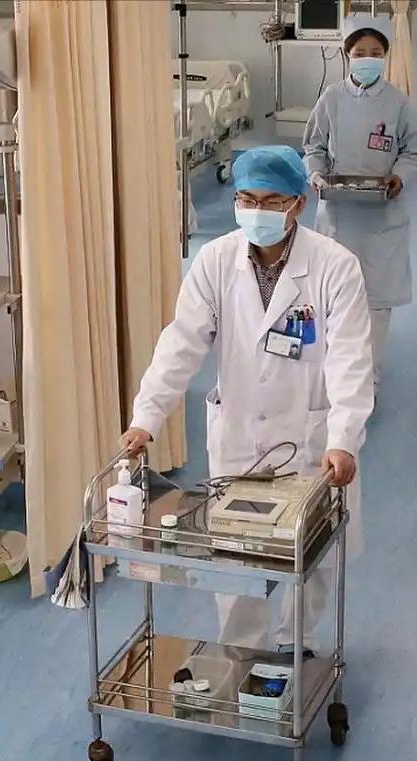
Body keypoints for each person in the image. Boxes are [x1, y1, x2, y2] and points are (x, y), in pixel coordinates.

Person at [121, 146, 373, 653]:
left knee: (311, 552)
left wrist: (344, 437)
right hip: (239, 432)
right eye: (246, 199)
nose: (256, 211)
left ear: (297, 204)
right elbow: (181, 343)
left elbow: (350, 359)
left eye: (270, 201)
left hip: (309, 434)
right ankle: (242, 647)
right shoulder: (215, 261)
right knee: (235, 551)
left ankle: (295, 642)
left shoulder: (334, 267)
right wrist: (147, 416)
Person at [303, 14, 416, 387]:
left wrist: (399, 176)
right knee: (332, 297)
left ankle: (367, 380)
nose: (368, 59)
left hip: (383, 216)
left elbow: (412, 150)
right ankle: (331, 375)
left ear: (385, 56)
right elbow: (313, 147)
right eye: (360, 52)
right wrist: (317, 175)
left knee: (376, 303)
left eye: (376, 53)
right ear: (347, 55)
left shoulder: (399, 103)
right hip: (338, 214)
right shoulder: (331, 99)